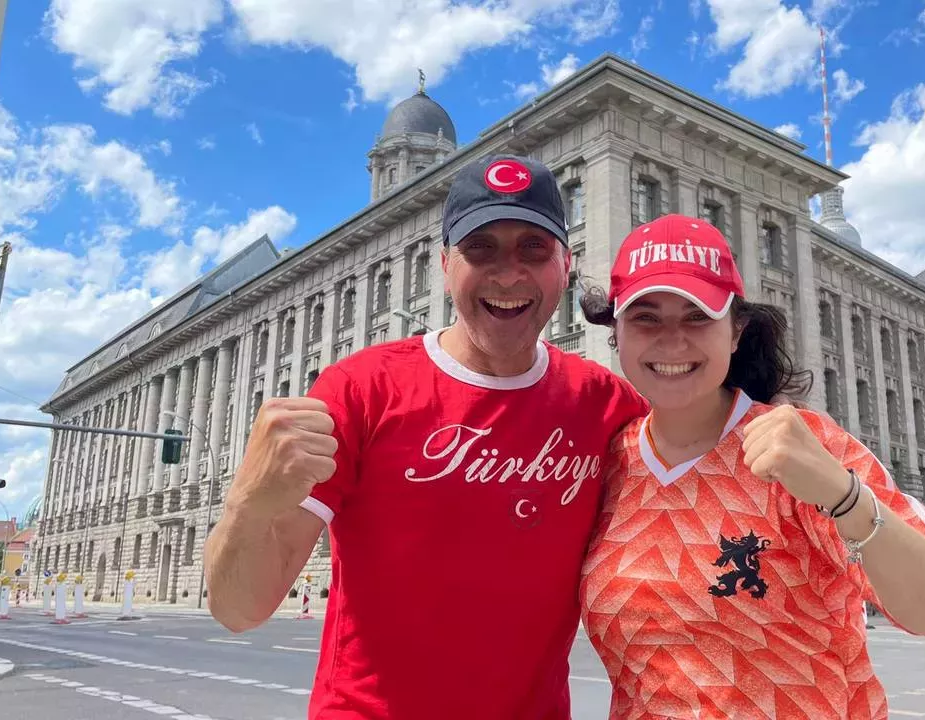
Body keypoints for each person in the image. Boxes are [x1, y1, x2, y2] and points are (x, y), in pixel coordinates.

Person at [203, 154, 649, 719]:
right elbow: (239, 611)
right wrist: (246, 501)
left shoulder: (606, 405)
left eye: (532, 250)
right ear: (444, 265)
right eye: (480, 249)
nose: (508, 274)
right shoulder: (360, 390)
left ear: (566, 264)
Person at [577, 214, 925, 720]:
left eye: (697, 316)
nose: (672, 340)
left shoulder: (803, 444)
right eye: (645, 317)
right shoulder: (608, 463)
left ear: (736, 331)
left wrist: (842, 494)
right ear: (616, 333)